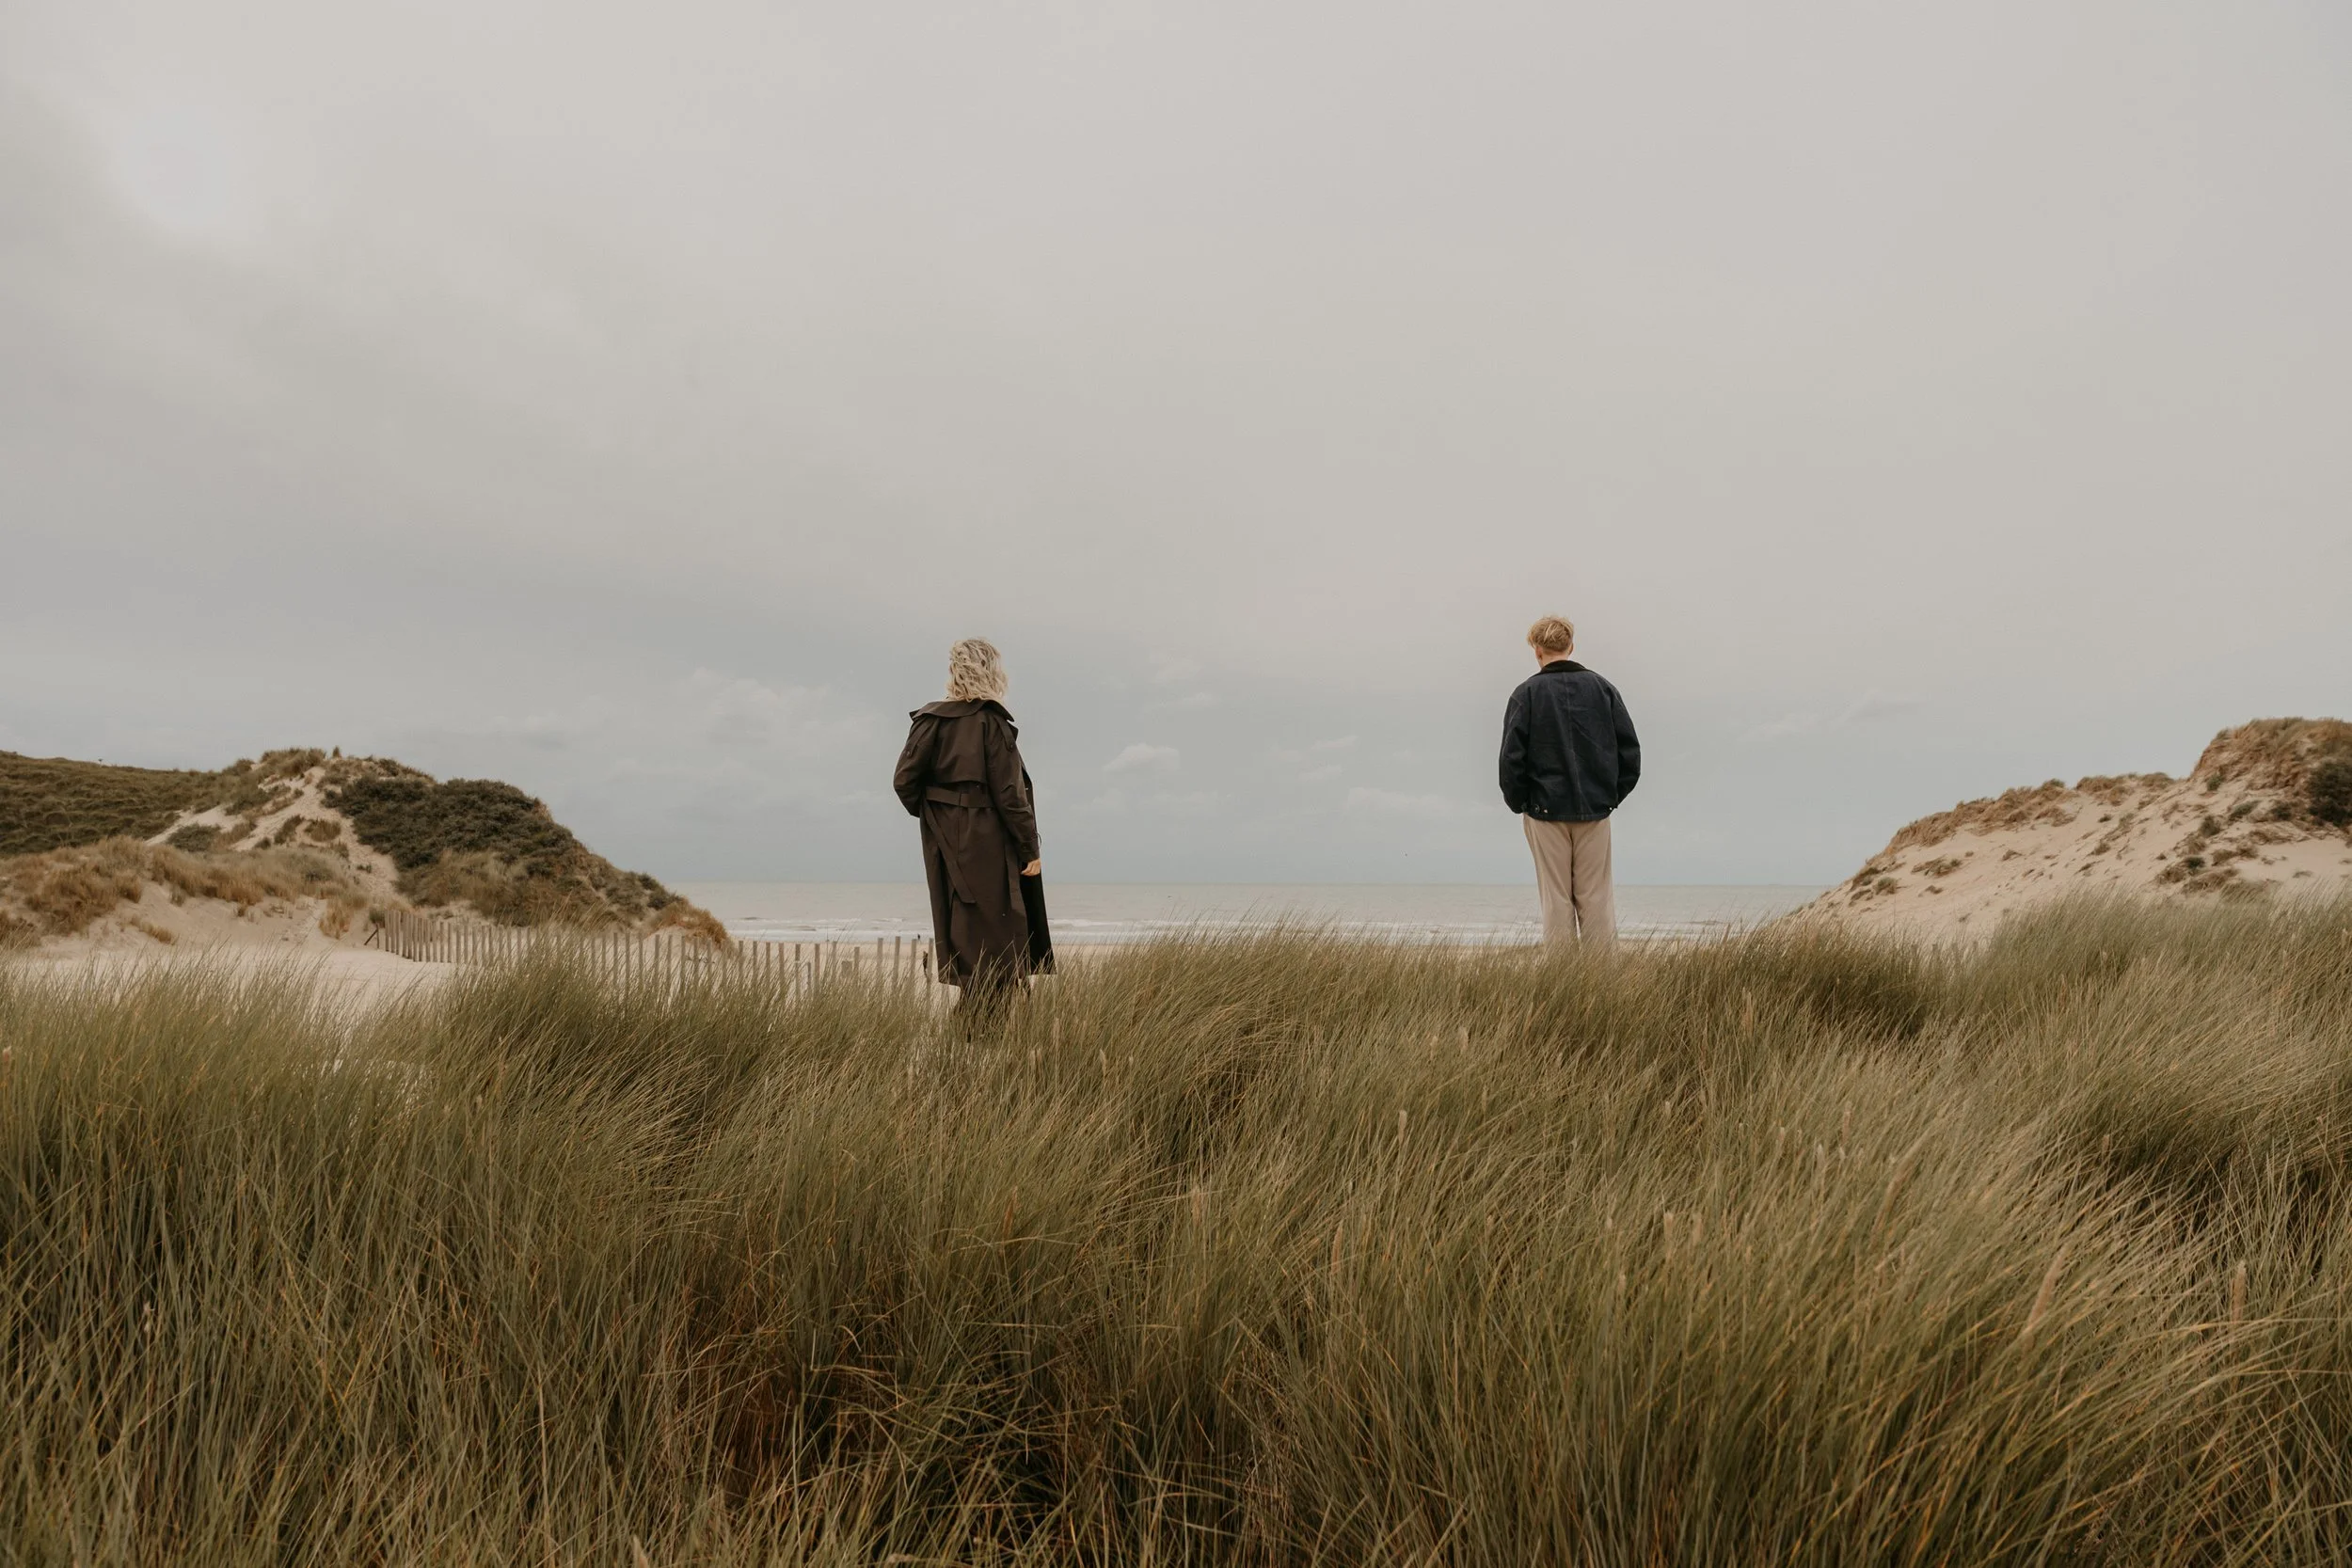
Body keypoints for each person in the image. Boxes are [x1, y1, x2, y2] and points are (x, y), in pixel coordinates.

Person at [894, 638, 1053, 1002]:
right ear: (992, 671)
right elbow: (1011, 797)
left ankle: (984, 1035)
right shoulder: (990, 722)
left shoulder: (930, 721)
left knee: (971, 937)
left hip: (946, 847)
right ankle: (984, 1035)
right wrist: (1030, 849)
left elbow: (905, 782)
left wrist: (942, 819)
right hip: (990, 845)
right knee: (1000, 938)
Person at [1498, 614, 1640, 947]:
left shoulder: (1526, 694)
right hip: (1594, 808)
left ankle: (1560, 982)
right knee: (1597, 901)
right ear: (1570, 647)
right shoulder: (1603, 689)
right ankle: (1602, 981)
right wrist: (1609, 796)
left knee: (1556, 902)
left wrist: (1521, 803)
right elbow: (1629, 753)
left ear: (1537, 650)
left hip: (1544, 810)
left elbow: (1510, 759)